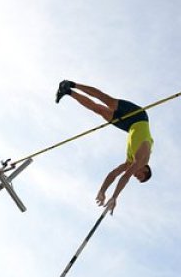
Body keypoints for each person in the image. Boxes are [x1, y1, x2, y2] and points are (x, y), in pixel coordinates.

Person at [56, 80, 152, 214]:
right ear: (145, 170)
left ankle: (67, 91)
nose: (136, 175)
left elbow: (114, 174)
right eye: (139, 176)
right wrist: (114, 197)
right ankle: (72, 84)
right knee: (108, 101)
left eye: (137, 177)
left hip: (129, 126)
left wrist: (102, 191)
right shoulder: (143, 159)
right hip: (139, 116)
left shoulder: (130, 161)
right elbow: (125, 177)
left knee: (98, 110)